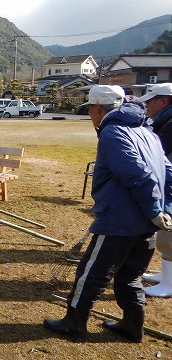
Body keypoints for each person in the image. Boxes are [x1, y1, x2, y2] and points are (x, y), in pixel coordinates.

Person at [43, 85, 172, 343]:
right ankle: (133, 325)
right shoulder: (146, 131)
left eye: (89, 110)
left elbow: (138, 175)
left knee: (91, 273)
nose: (89, 116)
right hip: (147, 222)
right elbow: (168, 173)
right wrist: (161, 211)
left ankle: (73, 323)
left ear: (97, 108)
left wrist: (155, 209)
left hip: (120, 220)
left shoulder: (113, 133)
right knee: (130, 274)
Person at [137, 83, 172, 297]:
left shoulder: (169, 124)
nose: (147, 105)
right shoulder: (163, 121)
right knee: (164, 232)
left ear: (164, 101)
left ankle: (169, 284)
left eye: (150, 101)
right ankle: (165, 274)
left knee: (169, 232)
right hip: (166, 182)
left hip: (169, 184)